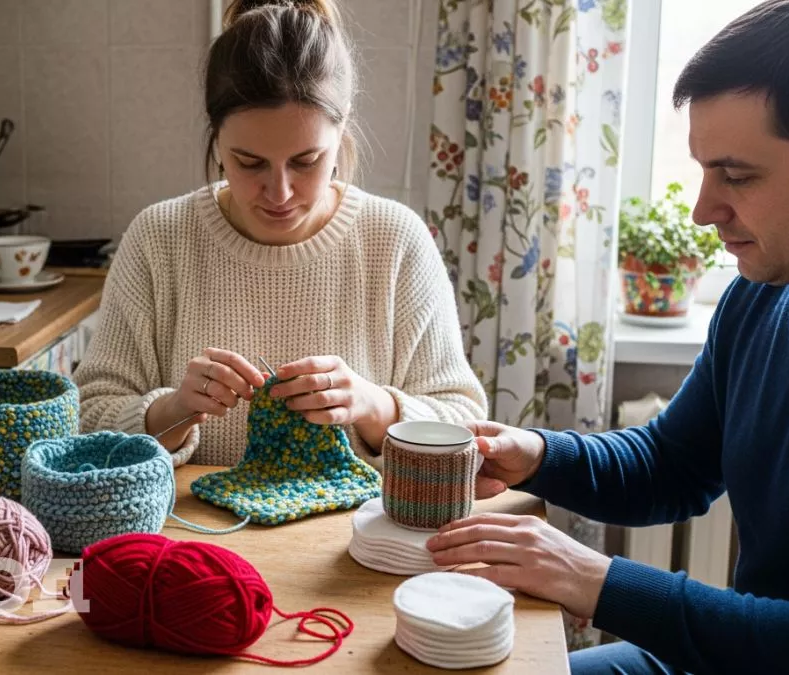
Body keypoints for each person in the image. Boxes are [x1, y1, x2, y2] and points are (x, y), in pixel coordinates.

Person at [425, 1, 789, 672]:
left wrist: (591, 579)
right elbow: (675, 466)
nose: (702, 211)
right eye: (703, 170)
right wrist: (537, 453)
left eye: (738, 175)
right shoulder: (756, 297)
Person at [74, 0, 487, 468]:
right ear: (216, 136)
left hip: (356, 537)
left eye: (306, 161)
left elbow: (467, 428)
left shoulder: (395, 242)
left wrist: (373, 407)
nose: (280, 192)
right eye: (249, 163)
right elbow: (87, 418)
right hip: (188, 536)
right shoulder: (159, 239)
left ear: (343, 124)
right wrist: (174, 412)